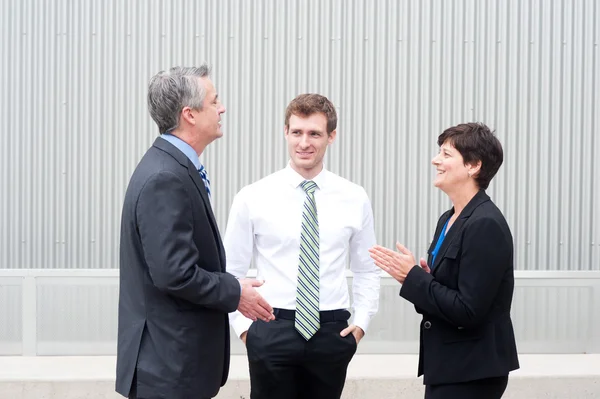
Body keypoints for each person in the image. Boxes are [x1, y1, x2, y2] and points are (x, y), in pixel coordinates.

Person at [116, 65, 274, 399]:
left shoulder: (172, 167)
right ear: (189, 114)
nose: (222, 108)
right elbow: (174, 273)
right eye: (214, 101)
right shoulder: (166, 178)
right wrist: (235, 292)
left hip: (174, 368)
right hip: (170, 371)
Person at [223, 93, 381, 399]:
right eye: (296, 132)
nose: (304, 143)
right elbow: (230, 271)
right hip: (270, 326)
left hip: (331, 330)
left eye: (314, 134)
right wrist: (246, 331)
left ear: (331, 136)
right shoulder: (252, 197)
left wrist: (360, 324)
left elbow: (367, 269)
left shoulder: (354, 197)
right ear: (286, 132)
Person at [369, 122, 519, 399]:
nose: (435, 160)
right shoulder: (448, 219)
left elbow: (469, 311)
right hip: (450, 366)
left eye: (446, 154)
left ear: (473, 165)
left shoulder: (485, 224)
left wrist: (415, 278)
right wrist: (421, 279)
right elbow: (446, 297)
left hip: (473, 372)